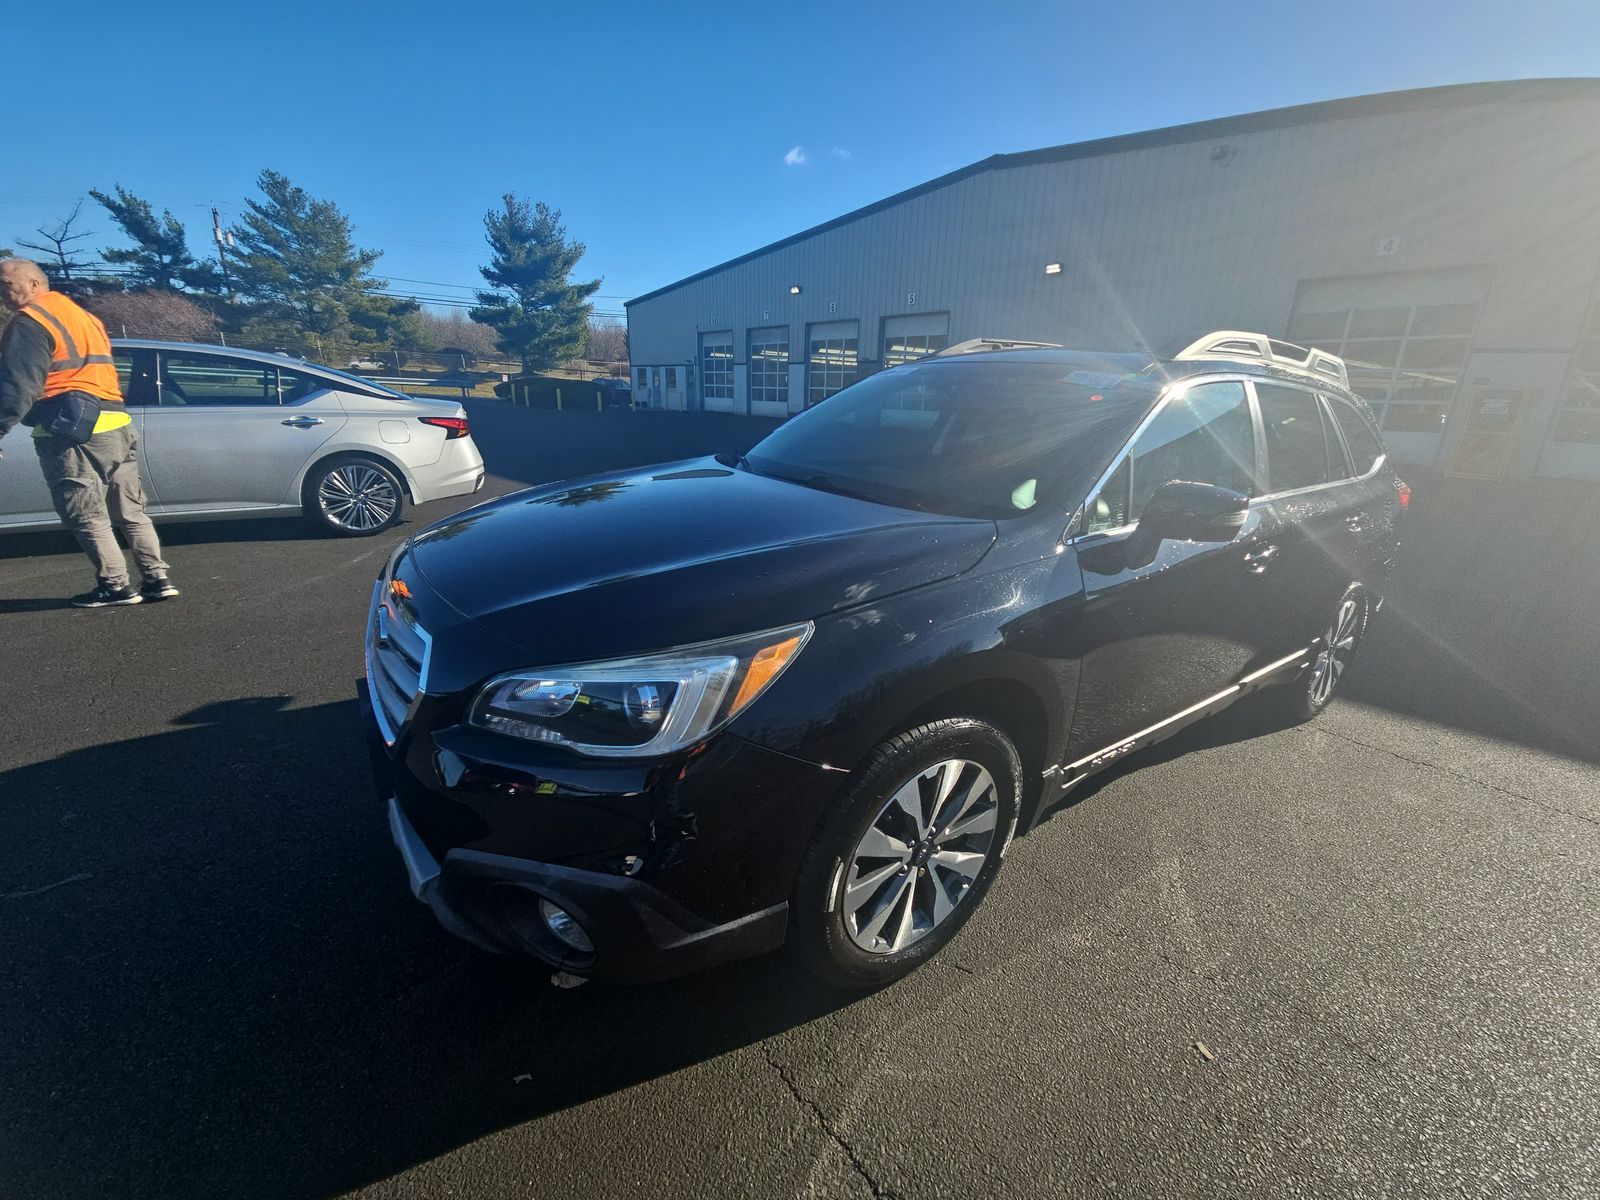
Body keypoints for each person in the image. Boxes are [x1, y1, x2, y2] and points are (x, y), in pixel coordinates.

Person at [0, 259, 178, 607]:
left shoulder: (30, 322)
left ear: (35, 283)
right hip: (115, 422)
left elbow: (19, 383)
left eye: (5, 283)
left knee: (86, 512)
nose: (2, 292)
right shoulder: (83, 317)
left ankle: (115, 587)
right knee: (130, 510)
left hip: (70, 429)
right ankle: (157, 578)